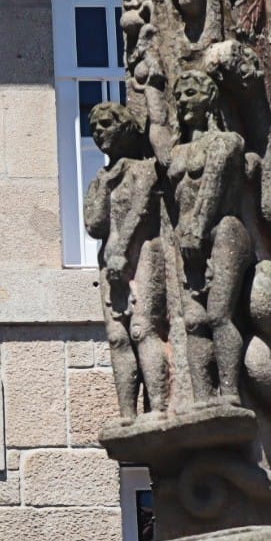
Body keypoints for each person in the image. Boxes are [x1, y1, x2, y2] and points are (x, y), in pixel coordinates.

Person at [167, 71, 252, 403]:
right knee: (193, 321)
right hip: (187, 240)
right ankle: (203, 398)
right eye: (180, 95)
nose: (184, 100)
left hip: (223, 233)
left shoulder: (226, 142)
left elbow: (213, 186)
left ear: (211, 98)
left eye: (191, 92)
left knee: (218, 314)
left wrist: (198, 230)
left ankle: (230, 392)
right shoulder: (178, 152)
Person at [84, 103, 169, 420]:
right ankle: (127, 414)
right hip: (110, 260)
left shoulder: (144, 169)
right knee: (118, 337)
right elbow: (93, 225)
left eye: (106, 124)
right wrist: (104, 186)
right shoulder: (102, 178)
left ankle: (159, 407)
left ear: (126, 127)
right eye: (93, 128)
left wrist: (120, 250)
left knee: (142, 329)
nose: (98, 132)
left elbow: (140, 212)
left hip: (143, 251)